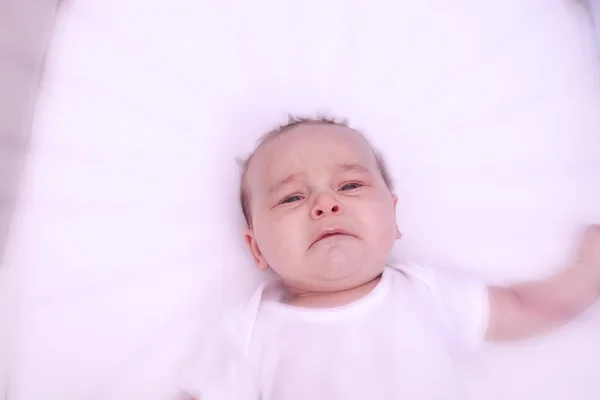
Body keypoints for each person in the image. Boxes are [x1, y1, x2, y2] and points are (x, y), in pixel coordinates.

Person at [176, 116, 600, 400]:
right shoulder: (250, 331)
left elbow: (528, 307)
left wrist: (587, 271)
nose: (325, 204)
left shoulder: (428, 294)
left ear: (394, 220)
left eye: (351, 186)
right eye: (292, 196)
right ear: (256, 248)